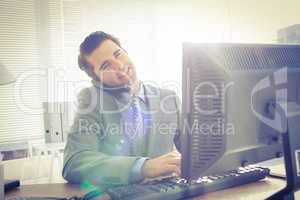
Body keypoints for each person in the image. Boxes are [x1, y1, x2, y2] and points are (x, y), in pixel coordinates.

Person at [62, 31, 181, 189]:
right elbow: (74, 163)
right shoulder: (91, 100)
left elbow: (198, 151)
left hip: (168, 193)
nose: (119, 66)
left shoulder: (169, 98)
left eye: (118, 54)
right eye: (106, 65)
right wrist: (143, 167)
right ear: (97, 78)